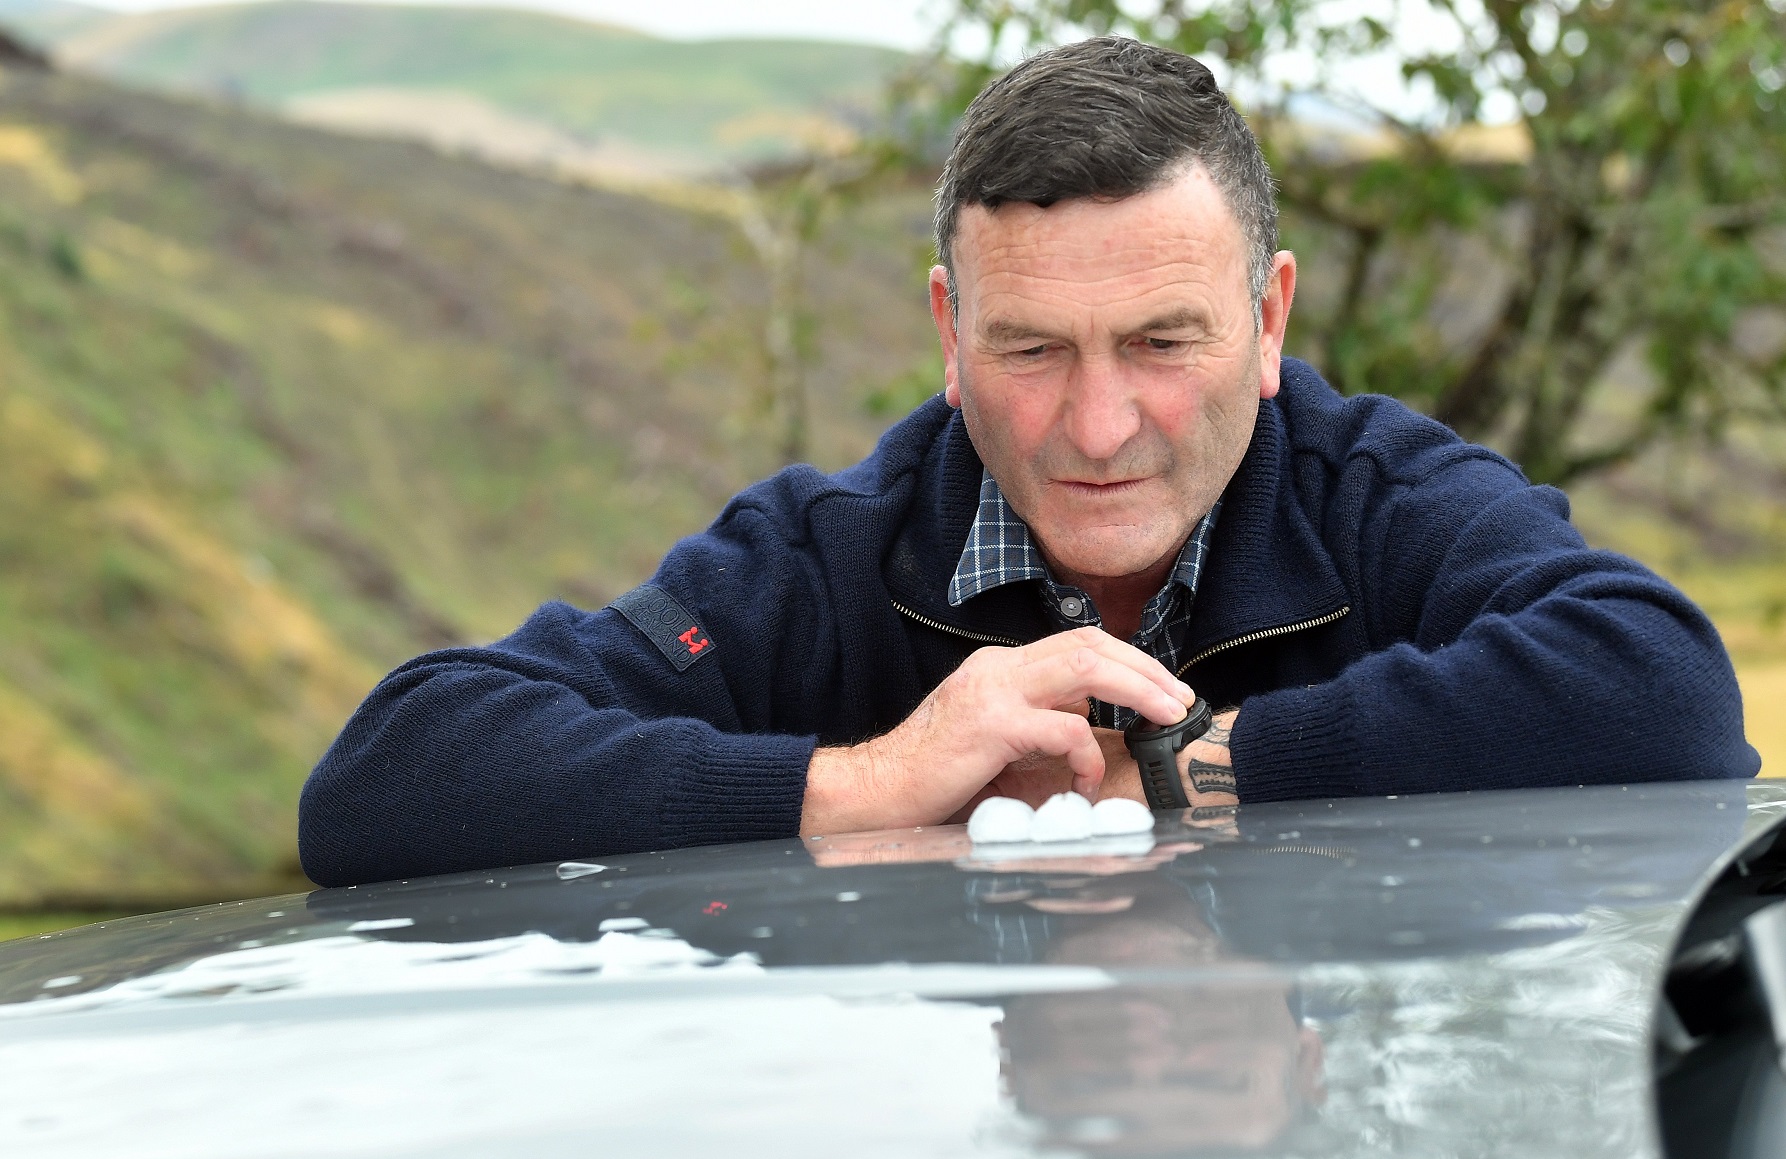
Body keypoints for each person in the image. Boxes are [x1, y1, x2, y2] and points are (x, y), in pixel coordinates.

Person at [298, 37, 1757, 887]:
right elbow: (389, 777)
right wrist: (876, 783)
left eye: (1163, 343)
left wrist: (1183, 771)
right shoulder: (827, 553)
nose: (1098, 425)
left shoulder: (1372, 494)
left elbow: (1659, 684)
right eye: (1032, 350)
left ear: (1269, 319)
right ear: (947, 331)